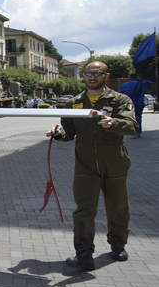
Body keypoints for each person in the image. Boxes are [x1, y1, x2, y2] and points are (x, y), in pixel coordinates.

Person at [46, 61, 137, 270]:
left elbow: (132, 125)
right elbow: (69, 131)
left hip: (115, 162)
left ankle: (118, 245)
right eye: (88, 73)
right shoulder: (74, 103)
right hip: (85, 164)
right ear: (83, 76)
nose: (92, 77)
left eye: (97, 73)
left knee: (118, 207)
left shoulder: (120, 100)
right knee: (84, 209)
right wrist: (58, 134)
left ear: (106, 76)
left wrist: (114, 123)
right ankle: (84, 253)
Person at [118, 74, 153, 138]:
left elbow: (119, 93)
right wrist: (141, 80)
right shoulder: (142, 83)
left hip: (130, 104)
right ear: (137, 77)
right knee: (138, 117)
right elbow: (151, 83)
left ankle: (132, 131)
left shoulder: (125, 84)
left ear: (130, 78)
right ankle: (138, 132)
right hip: (139, 103)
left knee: (130, 117)